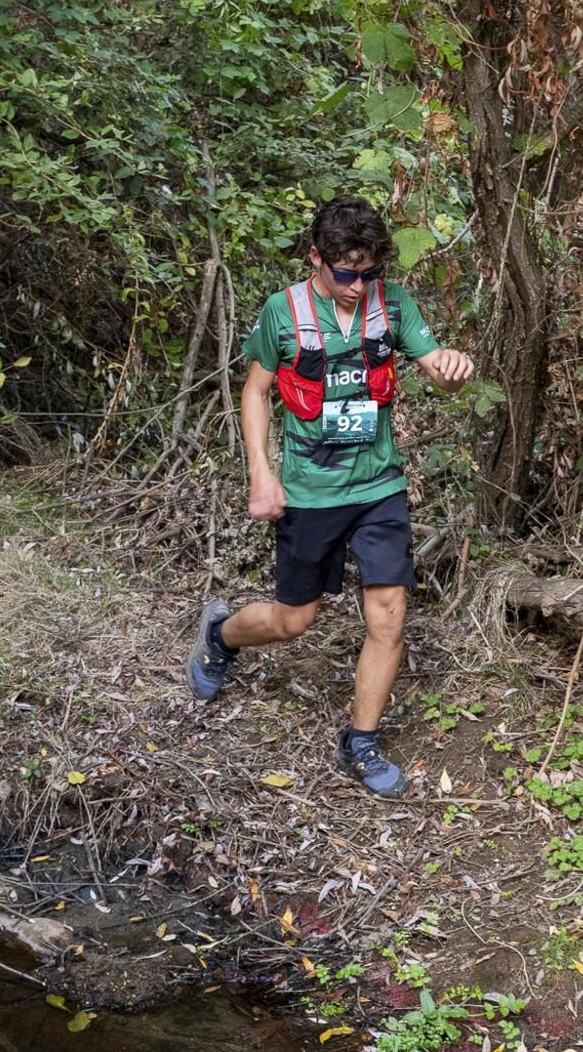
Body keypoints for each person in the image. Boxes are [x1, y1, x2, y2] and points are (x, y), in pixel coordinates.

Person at [186, 195, 474, 798]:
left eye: (369, 273)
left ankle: (360, 740)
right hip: (311, 490)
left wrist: (449, 367)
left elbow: (434, 367)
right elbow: (256, 392)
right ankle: (221, 635)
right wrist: (261, 473)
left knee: (388, 614)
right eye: (346, 273)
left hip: (378, 484)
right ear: (317, 258)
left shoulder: (392, 304)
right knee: (294, 620)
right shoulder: (283, 311)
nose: (358, 286)